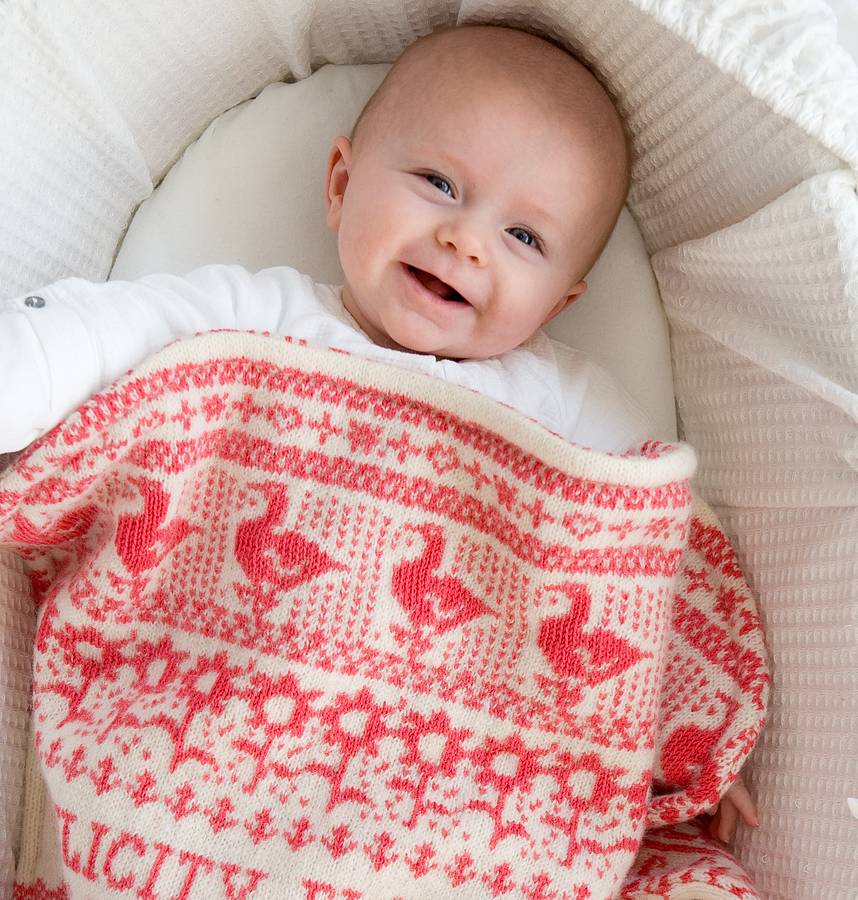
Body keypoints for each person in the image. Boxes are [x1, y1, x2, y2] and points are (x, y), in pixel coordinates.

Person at [0, 23, 756, 840]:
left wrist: (691, 732)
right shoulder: (262, 315)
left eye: (525, 237)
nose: (465, 240)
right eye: (438, 182)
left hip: (445, 767)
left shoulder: (566, 400)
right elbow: (106, 330)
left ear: (561, 302)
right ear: (340, 183)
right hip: (226, 699)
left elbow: (647, 554)